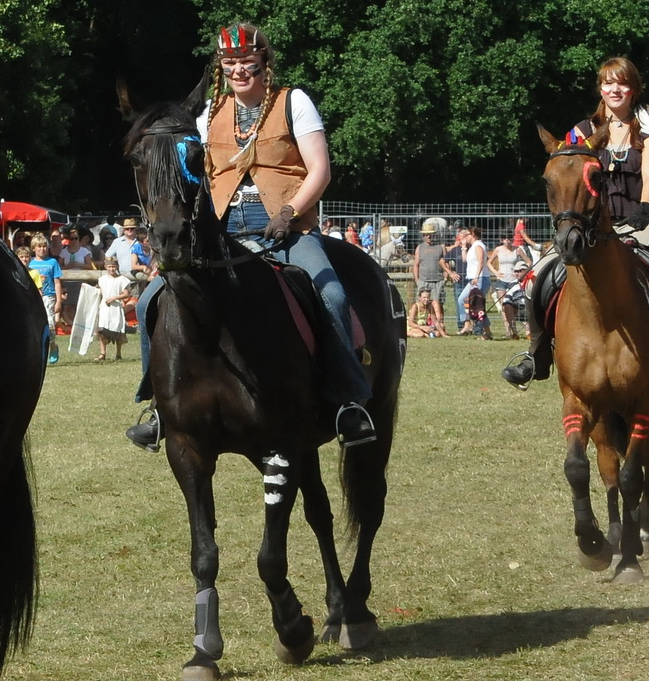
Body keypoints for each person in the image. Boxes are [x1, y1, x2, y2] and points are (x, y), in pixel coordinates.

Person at [126, 23, 376, 449]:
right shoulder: (207, 115)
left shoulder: (293, 102)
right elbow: (189, 172)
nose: (240, 70)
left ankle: (348, 401)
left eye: (248, 62)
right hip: (222, 230)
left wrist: (290, 211)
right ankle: (160, 405)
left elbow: (320, 170)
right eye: (231, 63)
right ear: (221, 67)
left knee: (331, 295)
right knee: (152, 298)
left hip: (287, 227)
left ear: (264, 63)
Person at [503, 57, 649, 387]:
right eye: (608, 83)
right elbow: (566, 168)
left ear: (633, 89)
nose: (615, 89)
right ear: (600, 89)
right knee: (536, 278)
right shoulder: (581, 131)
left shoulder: (646, 129)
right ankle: (537, 354)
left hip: (634, 221)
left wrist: (645, 207)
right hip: (588, 226)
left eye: (622, 83)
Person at [29, 235, 63, 364]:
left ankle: (53, 345)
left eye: (44, 247)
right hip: (34, 297)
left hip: (49, 296)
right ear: (34, 248)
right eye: (39, 247)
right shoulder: (30, 263)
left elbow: (57, 282)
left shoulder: (52, 262)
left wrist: (58, 300)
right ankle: (39, 351)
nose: (42, 249)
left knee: (50, 323)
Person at [411, 222, 447, 332]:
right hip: (423, 280)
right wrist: (417, 280)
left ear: (435, 234)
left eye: (430, 234)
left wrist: (445, 278)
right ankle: (423, 326)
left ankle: (441, 327)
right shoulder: (419, 248)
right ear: (423, 235)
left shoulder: (441, 247)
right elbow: (416, 265)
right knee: (422, 304)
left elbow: (446, 263)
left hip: (438, 280)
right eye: (426, 234)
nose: (428, 236)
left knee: (438, 304)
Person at [95, 261, 131, 361]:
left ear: (117, 267)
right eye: (109, 267)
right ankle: (103, 353)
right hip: (104, 307)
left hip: (116, 307)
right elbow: (101, 291)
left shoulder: (122, 280)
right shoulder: (102, 279)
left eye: (113, 267)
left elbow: (126, 294)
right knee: (102, 329)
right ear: (106, 267)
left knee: (118, 329)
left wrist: (114, 297)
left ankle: (118, 353)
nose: (112, 269)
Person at [456, 227, 488, 335]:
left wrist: (477, 276)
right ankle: (467, 324)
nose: (466, 237)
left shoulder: (478, 245)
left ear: (473, 234)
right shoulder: (472, 247)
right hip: (472, 279)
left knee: (478, 305)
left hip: (479, 279)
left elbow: (481, 262)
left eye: (468, 234)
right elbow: (465, 260)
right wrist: (464, 246)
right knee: (463, 300)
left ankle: (482, 330)